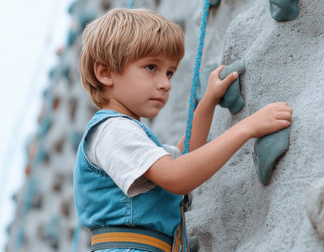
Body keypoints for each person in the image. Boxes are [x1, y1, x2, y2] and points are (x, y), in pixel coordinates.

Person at [73, 8, 292, 252]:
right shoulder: (113, 131)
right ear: (105, 73)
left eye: (169, 72)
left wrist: (208, 102)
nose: (165, 84)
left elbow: (185, 157)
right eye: (151, 67)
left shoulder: (124, 133)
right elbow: (176, 177)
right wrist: (246, 128)